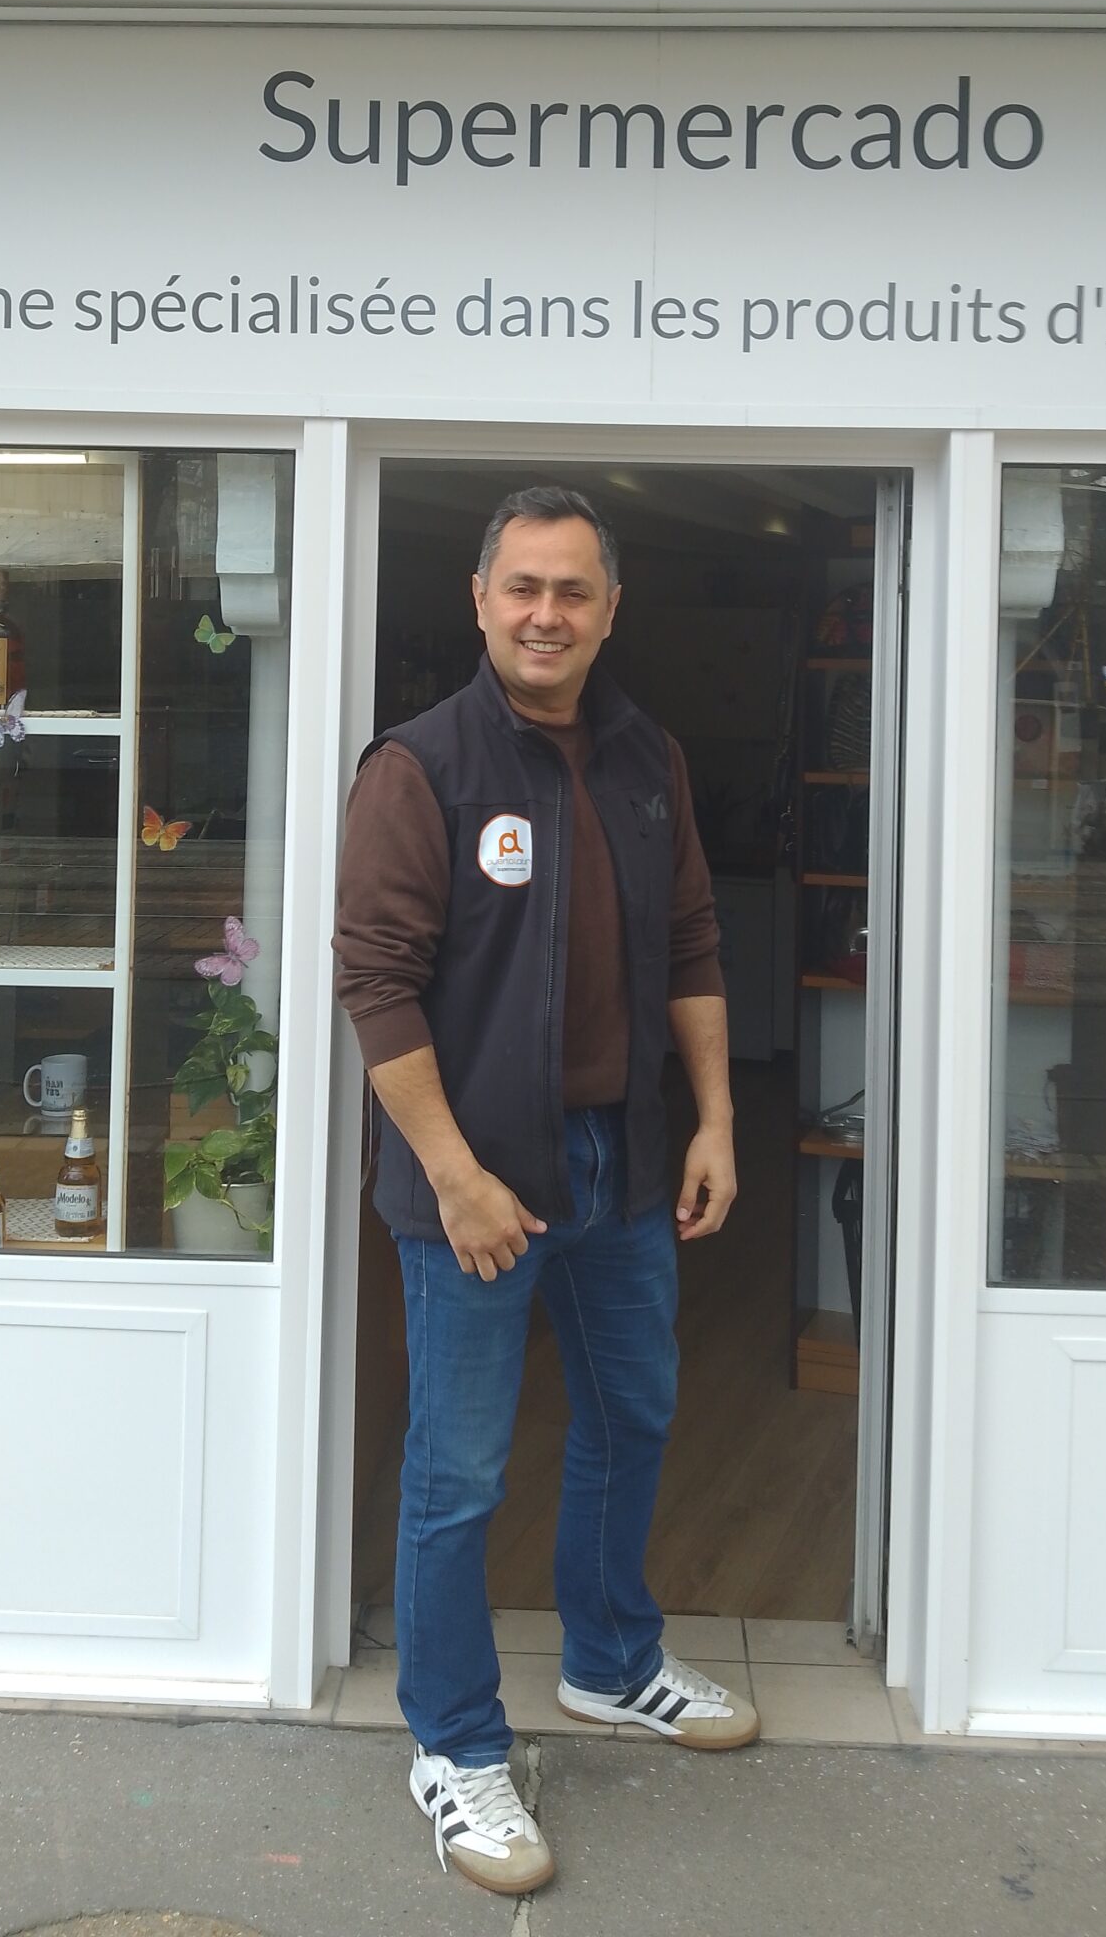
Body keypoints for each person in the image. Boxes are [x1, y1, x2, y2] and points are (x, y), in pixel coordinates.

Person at [333, 484, 756, 1897]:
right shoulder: (420, 768)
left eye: (573, 591)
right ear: (479, 599)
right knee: (457, 1474)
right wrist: (453, 1176)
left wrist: (714, 1120)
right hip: (473, 1182)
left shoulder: (646, 758)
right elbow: (376, 987)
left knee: (633, 1414)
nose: (546, 614)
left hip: (618, 1163)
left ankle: (611, 1662)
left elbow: (691, 944)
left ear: (610, 610)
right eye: (522, 586)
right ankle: (454, 1746)